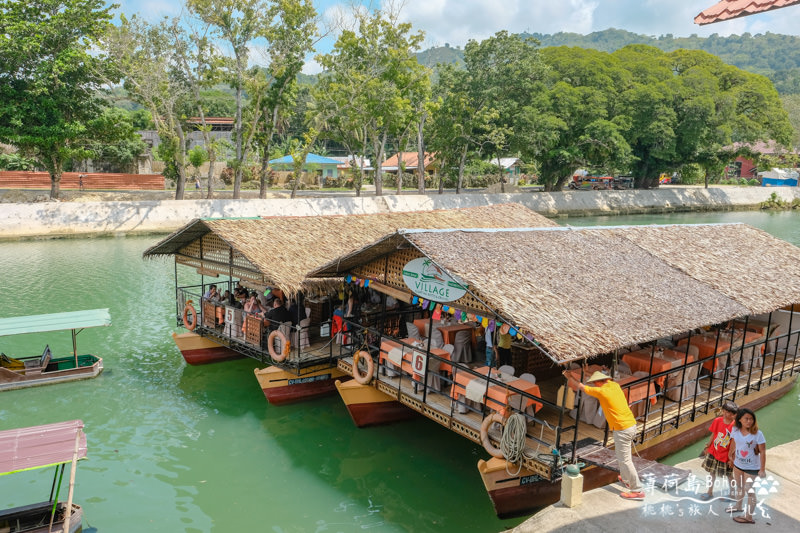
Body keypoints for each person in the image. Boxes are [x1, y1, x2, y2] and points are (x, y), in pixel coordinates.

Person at [563, 370, 645, 501]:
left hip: (622, 429)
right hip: (630, 425)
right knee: (622, 456)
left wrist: (569, 376)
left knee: (625, 460)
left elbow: (581, 387)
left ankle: (637, 490)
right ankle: (626, 479)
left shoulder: (602, 392)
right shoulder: (615, 385)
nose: (595, 385)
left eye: (595, 383)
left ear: (599, 382)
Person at [728, 408, 766, 524]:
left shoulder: (758, 434)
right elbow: (734, 443)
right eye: (746, 419)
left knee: (749, 489)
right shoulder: (735, 430)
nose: (749, 421)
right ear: (740, 419)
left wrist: (762, 469)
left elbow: (763, 451)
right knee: (739, 487)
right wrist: (730, 456)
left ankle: (749, 517)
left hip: (752, 467)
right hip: (738, 464)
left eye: (751, 419)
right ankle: (738, 506)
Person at [700, 401, 738, 501]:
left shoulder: (735, 426)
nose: (727, 415)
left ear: (734, 415)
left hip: (726, 455)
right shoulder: (717, 421)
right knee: (711, 473)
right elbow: (713, 434)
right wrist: (708, 446)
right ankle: (710, 492)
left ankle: (732, 494)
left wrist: (731, 457)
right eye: (725, 411)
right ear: (722, 411)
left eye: (730, 413)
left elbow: (734, 443)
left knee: (729, 475)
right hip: (714, 451)